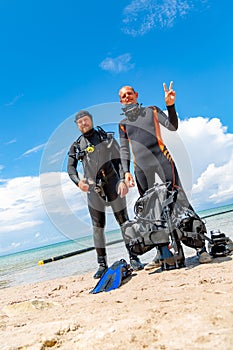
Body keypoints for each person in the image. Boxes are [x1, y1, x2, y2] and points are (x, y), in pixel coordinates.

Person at [117, 82, 212, 268]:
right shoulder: (122, 124)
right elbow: (124, 150)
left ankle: (200, 248)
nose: (127, 97)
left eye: (129, 93)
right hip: (141, 168)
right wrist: (125, 172)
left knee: (181, 201)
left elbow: (172, 126)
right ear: (120, 101)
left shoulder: (151, 110)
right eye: (123, 96)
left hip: (162, 160)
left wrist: (170, 105)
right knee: (149, 212)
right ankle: (163, 252)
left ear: (136, 94)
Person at [67, 110, 144, 279]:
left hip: (113, 182)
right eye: (80, 122)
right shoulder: (76, 145)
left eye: (86, 120)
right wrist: (78, 182)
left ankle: (134, 257)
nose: (83, 124)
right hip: (94, 188)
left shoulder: (106, 137)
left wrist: (123, 178)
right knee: (98, 226)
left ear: (91, 121)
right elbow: (70, 168)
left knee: (123, 220)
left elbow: (120, 160)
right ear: (77, 125)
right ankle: (102, 265)